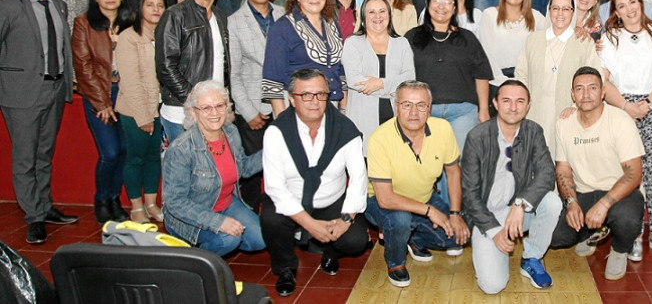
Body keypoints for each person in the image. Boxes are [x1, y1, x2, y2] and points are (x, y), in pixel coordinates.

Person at [259, 68, 369, 296]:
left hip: (331, 200)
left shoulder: (345, 129)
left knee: (357, 240)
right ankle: (286, 268)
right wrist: (309, 224)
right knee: (270, 218)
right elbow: (275, 187)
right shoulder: (276, 132)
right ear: (291, 98)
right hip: (292, 200)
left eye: (320, 94)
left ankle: (331, 251)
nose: (314, 101)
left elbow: (358, 177)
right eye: (306, 95)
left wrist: (346, 220)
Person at [0, 0, 78, 244]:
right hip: (20, 94)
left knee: (44, 153)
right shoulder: (7, 8)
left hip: (54, 90)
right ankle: (33, 216)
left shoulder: (59, 6)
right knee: (25, 158)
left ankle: (44, 207)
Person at [597, 0, 652, 262]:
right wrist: (627, 107)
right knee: (628, 175)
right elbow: (603, 81)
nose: (629, 8)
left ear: (641, 4)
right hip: (621, 108)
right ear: (616, 12)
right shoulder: (609, 39)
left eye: (632, 2)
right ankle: (632, 234)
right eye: (622, 5)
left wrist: (648, 104)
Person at [365, 80, 470, 287]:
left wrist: (456, 214)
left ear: (429, 109)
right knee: (400, 219)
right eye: (406, 105)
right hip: (382, 203)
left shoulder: (443, 129)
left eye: (421, 105)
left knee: (460, 237)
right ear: (397, 107)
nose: (414, 112)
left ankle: (410, 238)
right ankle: (396, 261)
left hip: (424, 197)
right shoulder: (379, 138)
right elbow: (385, 199)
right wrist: (430, 211)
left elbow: (453, 172)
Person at [462, 80, 561, 293]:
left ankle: (531, 258)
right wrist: (495, 231)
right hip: (486, 218)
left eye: (520, 101)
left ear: (528, 106)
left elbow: (547, 174)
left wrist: (520, 204)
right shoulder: (477, 137)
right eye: (506, 101)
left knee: (552, 202)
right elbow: (469, 194)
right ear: (495, 103)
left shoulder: (533, 131)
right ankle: (492, 248)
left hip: (518, 211)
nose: (513, 107)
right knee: (492, 286)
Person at [549, 66, 645, 280]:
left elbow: (634, 173)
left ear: (603, 92)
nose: (586, 94)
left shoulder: (621, 120)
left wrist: (604, 205)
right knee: (556, 237)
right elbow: (563, 168)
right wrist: (571, 202)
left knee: (626, 219)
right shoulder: (564, 123)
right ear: (572, 94)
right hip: (585, 193)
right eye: (579, 89)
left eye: (592, 88)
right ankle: (592, 230)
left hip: (620, 192)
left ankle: (620, 248)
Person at [162, 81, 265, 256]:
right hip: (190, 216)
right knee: (227, 239)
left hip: (225, 203)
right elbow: (175, 202)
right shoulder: (181, 148)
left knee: (261, 238)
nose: (214, 113)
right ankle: (196, 262)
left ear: (227, 107)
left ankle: (216, 243)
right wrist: (218, 222)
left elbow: (244, 168)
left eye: (219, 105)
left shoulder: (231, 132)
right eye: (206, 108)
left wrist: (273, 149)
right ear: (193, 112)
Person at [406, 0, 491, 171]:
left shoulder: (467, 38)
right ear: (428, 4)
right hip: (424, 112)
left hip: (463, 112)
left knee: (458, 166)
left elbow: (482, 75)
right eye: (437, 1)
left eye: (447, 2)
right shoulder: (412, 37)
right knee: (428, 166)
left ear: (454, 8)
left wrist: (483, 111)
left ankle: (455, 202)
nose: (441, 6)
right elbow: (402, 76)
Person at [72, 0, 134, 224]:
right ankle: (102, 199)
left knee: (125, 150)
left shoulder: (130, 22)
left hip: (127, 94)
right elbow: (83, 65)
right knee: (110, 151)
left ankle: (115, 199)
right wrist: (103, 102)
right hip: (99, 93)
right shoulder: (84, 23)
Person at [228, 0, 285, 212]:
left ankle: (280, 219)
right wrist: (248, 111)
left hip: (283, 107)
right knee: (250, 172)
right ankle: (249, 217)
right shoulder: (233, 22)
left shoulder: (285, 15)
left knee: (282, 167)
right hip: (252, 111)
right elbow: (234, 73)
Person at [155, 0, 229, 143]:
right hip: (181, 112)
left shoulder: (220, 16)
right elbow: (165, 66)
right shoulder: (174, 15)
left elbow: (223, 63)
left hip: (213, 112)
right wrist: (194, 101)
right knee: (185, 171)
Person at [515, 0, 600, 151]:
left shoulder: (583, 42)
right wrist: (523, 105)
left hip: (569, 115)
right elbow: (521, 76)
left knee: (564, 165)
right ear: (549, 10)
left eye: (566, 9)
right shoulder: (533, 40)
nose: (560, 13)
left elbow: (594, 79)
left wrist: (576, 106)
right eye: (556, 8)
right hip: (534, 113)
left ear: (573, 12)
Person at [262, 0, 347, 116]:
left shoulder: (332, 24)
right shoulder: (283, 27)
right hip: (297, 108)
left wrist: (344, 110)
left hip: (331, 107)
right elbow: (272, 79)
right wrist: (283, 121)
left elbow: (340, 70)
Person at [115, 0, 165, 224]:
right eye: (150, 5)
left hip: (158, 109)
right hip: (135, 110)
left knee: (154, 157)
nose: (156, 9)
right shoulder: (129, 37)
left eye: (160, 5)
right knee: (136, 158)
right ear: (140, 10)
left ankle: (152, 204)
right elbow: (131, 80)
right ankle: (136, 207)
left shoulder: (164, 35)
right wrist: (143, 116)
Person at [342, 0, 415, 145]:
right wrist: (392, 89)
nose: (377, 16)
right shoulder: (353, 43)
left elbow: (409, 78)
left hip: (396, 117)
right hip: (362, 117)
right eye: (371, 12)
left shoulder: (402, 43)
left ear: (389, 15)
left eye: (382, 11)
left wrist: (381, 84)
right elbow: (354, 80)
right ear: (363, 17)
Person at [480, 0, 545, 99]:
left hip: (527, 83)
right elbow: (487, 54)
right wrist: (503, 83)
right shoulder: (489, 15)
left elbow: (555, 39)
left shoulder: (536, 17)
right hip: (496, 83)